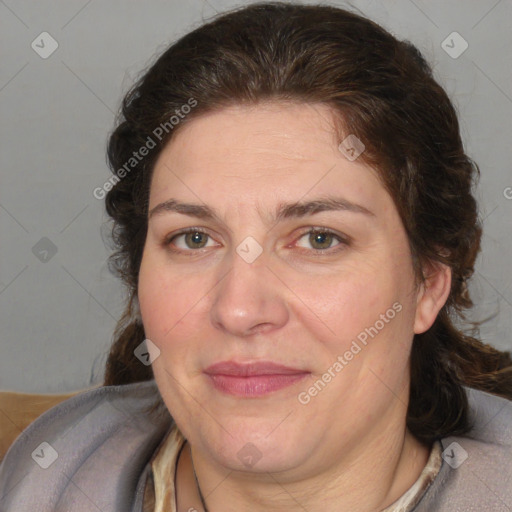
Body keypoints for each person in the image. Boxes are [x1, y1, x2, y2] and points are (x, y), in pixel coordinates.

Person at [1, 2, 511, 511]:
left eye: (319, 239)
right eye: (194, 239)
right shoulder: (45, 477)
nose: (240, 309)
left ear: (428, 283)